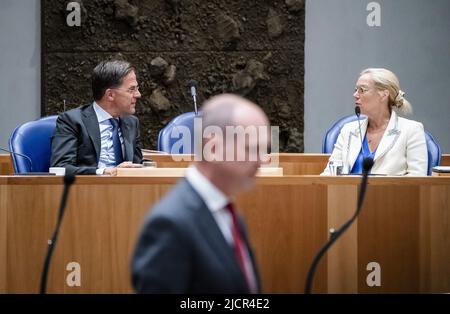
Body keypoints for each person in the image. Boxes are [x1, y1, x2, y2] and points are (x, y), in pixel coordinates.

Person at [131, 94, 271, 293]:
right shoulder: (170, 223)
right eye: (253, 148)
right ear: (213, 148)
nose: (263, 160)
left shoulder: (229, 214)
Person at [322, 68, 427, 176]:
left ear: (384, 95)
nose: (355, 95)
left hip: (391, 193)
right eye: (356, 90)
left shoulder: (411, 130)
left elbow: (417, 178)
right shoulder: (348, 130)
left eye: (362, 90)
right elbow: (329, 174)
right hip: (347, 192)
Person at [51, 60, 143, 175]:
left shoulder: (131, 122)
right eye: (132, 89)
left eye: (137, 88)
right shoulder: (72, 121)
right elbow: (60, 168)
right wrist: (103, 171)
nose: (138, 94)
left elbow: (138, 163)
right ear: (110, 95)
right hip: (88, 189)